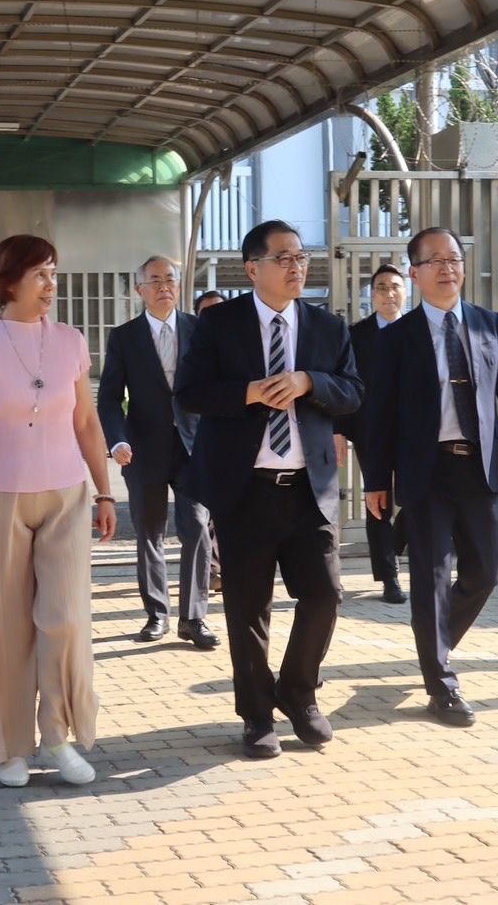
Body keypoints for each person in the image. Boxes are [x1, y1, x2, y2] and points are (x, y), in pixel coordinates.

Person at [177, 220, 363, 760]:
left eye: (301, 257)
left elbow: (353, 391)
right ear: (252, 268)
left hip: (309, 489)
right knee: (247, 609)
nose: (295, 266)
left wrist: (309, 382)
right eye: (283, 258)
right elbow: (190, 393)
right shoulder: (219, 324)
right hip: (246, 490)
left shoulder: (327, 327)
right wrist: (250, 392)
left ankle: (298, 693)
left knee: (324, 595)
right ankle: (257, 715)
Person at [0, 234, 117, 788]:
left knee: (65, 619)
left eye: (53, 273)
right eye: (41, 273)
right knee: (6, 626)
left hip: (67, 494)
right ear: (9, 280)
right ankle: (10, 746)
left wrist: (105, 491)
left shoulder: (70, 341)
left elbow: (86, 422)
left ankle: (58, 736)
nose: (51, 284)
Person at [362, 227, 498, 728]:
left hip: (478, 468)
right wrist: (376, 479)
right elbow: (380, 413)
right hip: (426, 471)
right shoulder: (397, 337)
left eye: (454, 259)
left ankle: (434, 643)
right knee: (432, 578)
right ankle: (441, 683)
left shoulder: (488, 323)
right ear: (415, 273)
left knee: (484, 574)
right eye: (435, 261)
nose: (447, 269)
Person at [98, 255, 218, 650]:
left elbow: (216, 386)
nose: (164, 286)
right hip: (142, 449)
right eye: (155, 280)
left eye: (170, 279)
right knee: (150, 533)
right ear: (140, 290)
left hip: (193, 447)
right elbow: (109, 398)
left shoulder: (199, 330)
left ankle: (194, 618)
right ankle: (157, 614)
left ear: (178, 286)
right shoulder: (125, 337)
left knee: (196, 527)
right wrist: (117, 441)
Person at [337, 264, 410, 604]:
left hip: (416, 431)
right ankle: (389, 577)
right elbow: (343, 384)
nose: (389, 293)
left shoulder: (420, 330)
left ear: (405, 291)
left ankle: (392, 548)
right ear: (372, 294)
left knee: (420, 494)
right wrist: (339, 430)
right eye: (382, 287)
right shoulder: (356, 335)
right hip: (371, 430)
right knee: (378, 500)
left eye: (395, 286)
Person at [193, 287, 226, 591]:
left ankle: (219, 569)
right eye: (208, 312)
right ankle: (212, 570)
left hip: (231, 442)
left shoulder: (240, 347)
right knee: (201, 514)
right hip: (195, 441)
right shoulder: (193, 346)